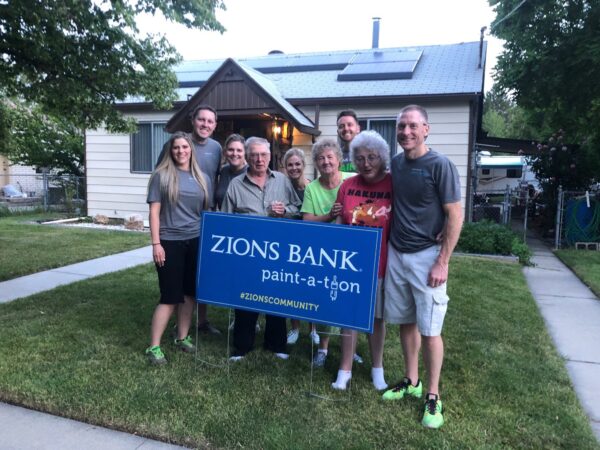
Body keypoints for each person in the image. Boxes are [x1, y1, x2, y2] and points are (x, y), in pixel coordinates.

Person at [382, 105, 463, 430]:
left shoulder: (440, 164)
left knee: (430, 329)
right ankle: (412, 380)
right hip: (397, 253)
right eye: (401, 126)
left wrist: (443, 261)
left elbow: (455, 213)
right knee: (405, 321)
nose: (405, 132)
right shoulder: (397, 163)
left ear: (426, 129)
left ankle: (432, 394)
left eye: (413, 126)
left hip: (427, 256)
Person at [221, 137, 301, 360]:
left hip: (276, 252)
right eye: (254, 154)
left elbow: (297, 208)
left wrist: (284, 211)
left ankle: (276, 345)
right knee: (245, 298)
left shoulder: (282, 181)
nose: (259, 159)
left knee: (276, 297)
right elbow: (226, 220)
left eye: (263, 155)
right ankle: (242, 346)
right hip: (247, 253)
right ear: (247, 157)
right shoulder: (236, 185)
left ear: (269, 156)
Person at [332, 130, 392, 391]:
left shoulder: (393, 185)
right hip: (350, 264)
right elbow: (338, 222)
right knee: (349, 316)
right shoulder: (347, 185)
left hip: (380, 263)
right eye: (359, 158)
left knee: (377, 319)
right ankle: (344, 369)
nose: (366, 163)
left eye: (372, 157)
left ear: (382, 157)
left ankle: (377, 368)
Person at [145, 132, 211, 365]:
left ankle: (182, 337)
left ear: (191, 149)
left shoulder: (202, 178)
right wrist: (156, 244)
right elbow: (154, 212)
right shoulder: (161, 176)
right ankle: (154, 346)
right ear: (170, 151)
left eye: (185, 147)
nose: (181, 151)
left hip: (195, 240)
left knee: (190, 293)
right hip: (169, 242)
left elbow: (205, 212)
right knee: (170, 296)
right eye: (176, 148)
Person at [158, 104, 222, 335]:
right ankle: (179, 324)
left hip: (204, 216)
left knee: (199, 273)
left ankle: (201, 321)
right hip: (175, 222)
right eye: (201, 120)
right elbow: (161, 178)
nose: (205, 124)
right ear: (192, 120)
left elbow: (216, 178)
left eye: (210, 121)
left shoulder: (216, 148)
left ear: (215, 125)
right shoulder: (177, 144)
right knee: (178, 275)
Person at [301, 138, 355, 368]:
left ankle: (348, 349)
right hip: (322, 252)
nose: (325, 162)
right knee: (324, 300)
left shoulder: (351, 181)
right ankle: (323, 348)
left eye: (330, 157)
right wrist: (329, 217)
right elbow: (307, 221)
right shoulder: (312, 188)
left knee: (349, 301)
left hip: (350, 251)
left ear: (339, 160)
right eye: (321, 158)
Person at [282, 148, 319, 346]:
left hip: (310, 242)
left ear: (304, 166)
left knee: (311, 285)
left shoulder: (312, 187)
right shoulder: (281, 186)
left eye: (297, 164)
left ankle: (313, 329)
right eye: (290, 164)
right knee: (291, 286)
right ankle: (294, 327)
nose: (294, 168)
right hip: (289, 241)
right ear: (285, 167)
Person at [215, 134, 247, 210]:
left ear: (245, 153)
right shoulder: (223, 171)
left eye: (239, 150)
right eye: (231, 150)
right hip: (223, 219)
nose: (234, 154)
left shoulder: (251, 172)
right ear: (225, 152)